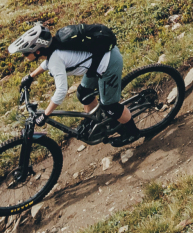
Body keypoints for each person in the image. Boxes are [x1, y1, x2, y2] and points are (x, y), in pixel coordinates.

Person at [7, 22, 138, 145]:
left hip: (109, 63)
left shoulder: (55, 61)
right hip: (98, 61)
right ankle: (96, 121)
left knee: (110, 107)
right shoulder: (53, 48)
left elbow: (61, 90)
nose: (24, 56)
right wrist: (31, 76)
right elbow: (48, 63)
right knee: (83, 93)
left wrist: (45, 114)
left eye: (25, 54)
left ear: (37, 51)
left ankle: (133, 133)